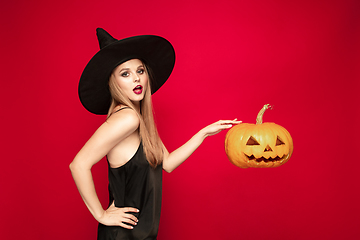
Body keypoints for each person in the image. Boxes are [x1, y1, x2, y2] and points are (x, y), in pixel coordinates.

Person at [70, 28, 241, 240]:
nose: (136, 79)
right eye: (125, 74)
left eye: (140, 71)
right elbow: (78, 164)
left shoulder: (139, 120)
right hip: (123, 235)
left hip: (141, 234)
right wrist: (101, 214)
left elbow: (167, 163)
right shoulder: (127, 119)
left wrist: (204, 133)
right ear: (113, 83)